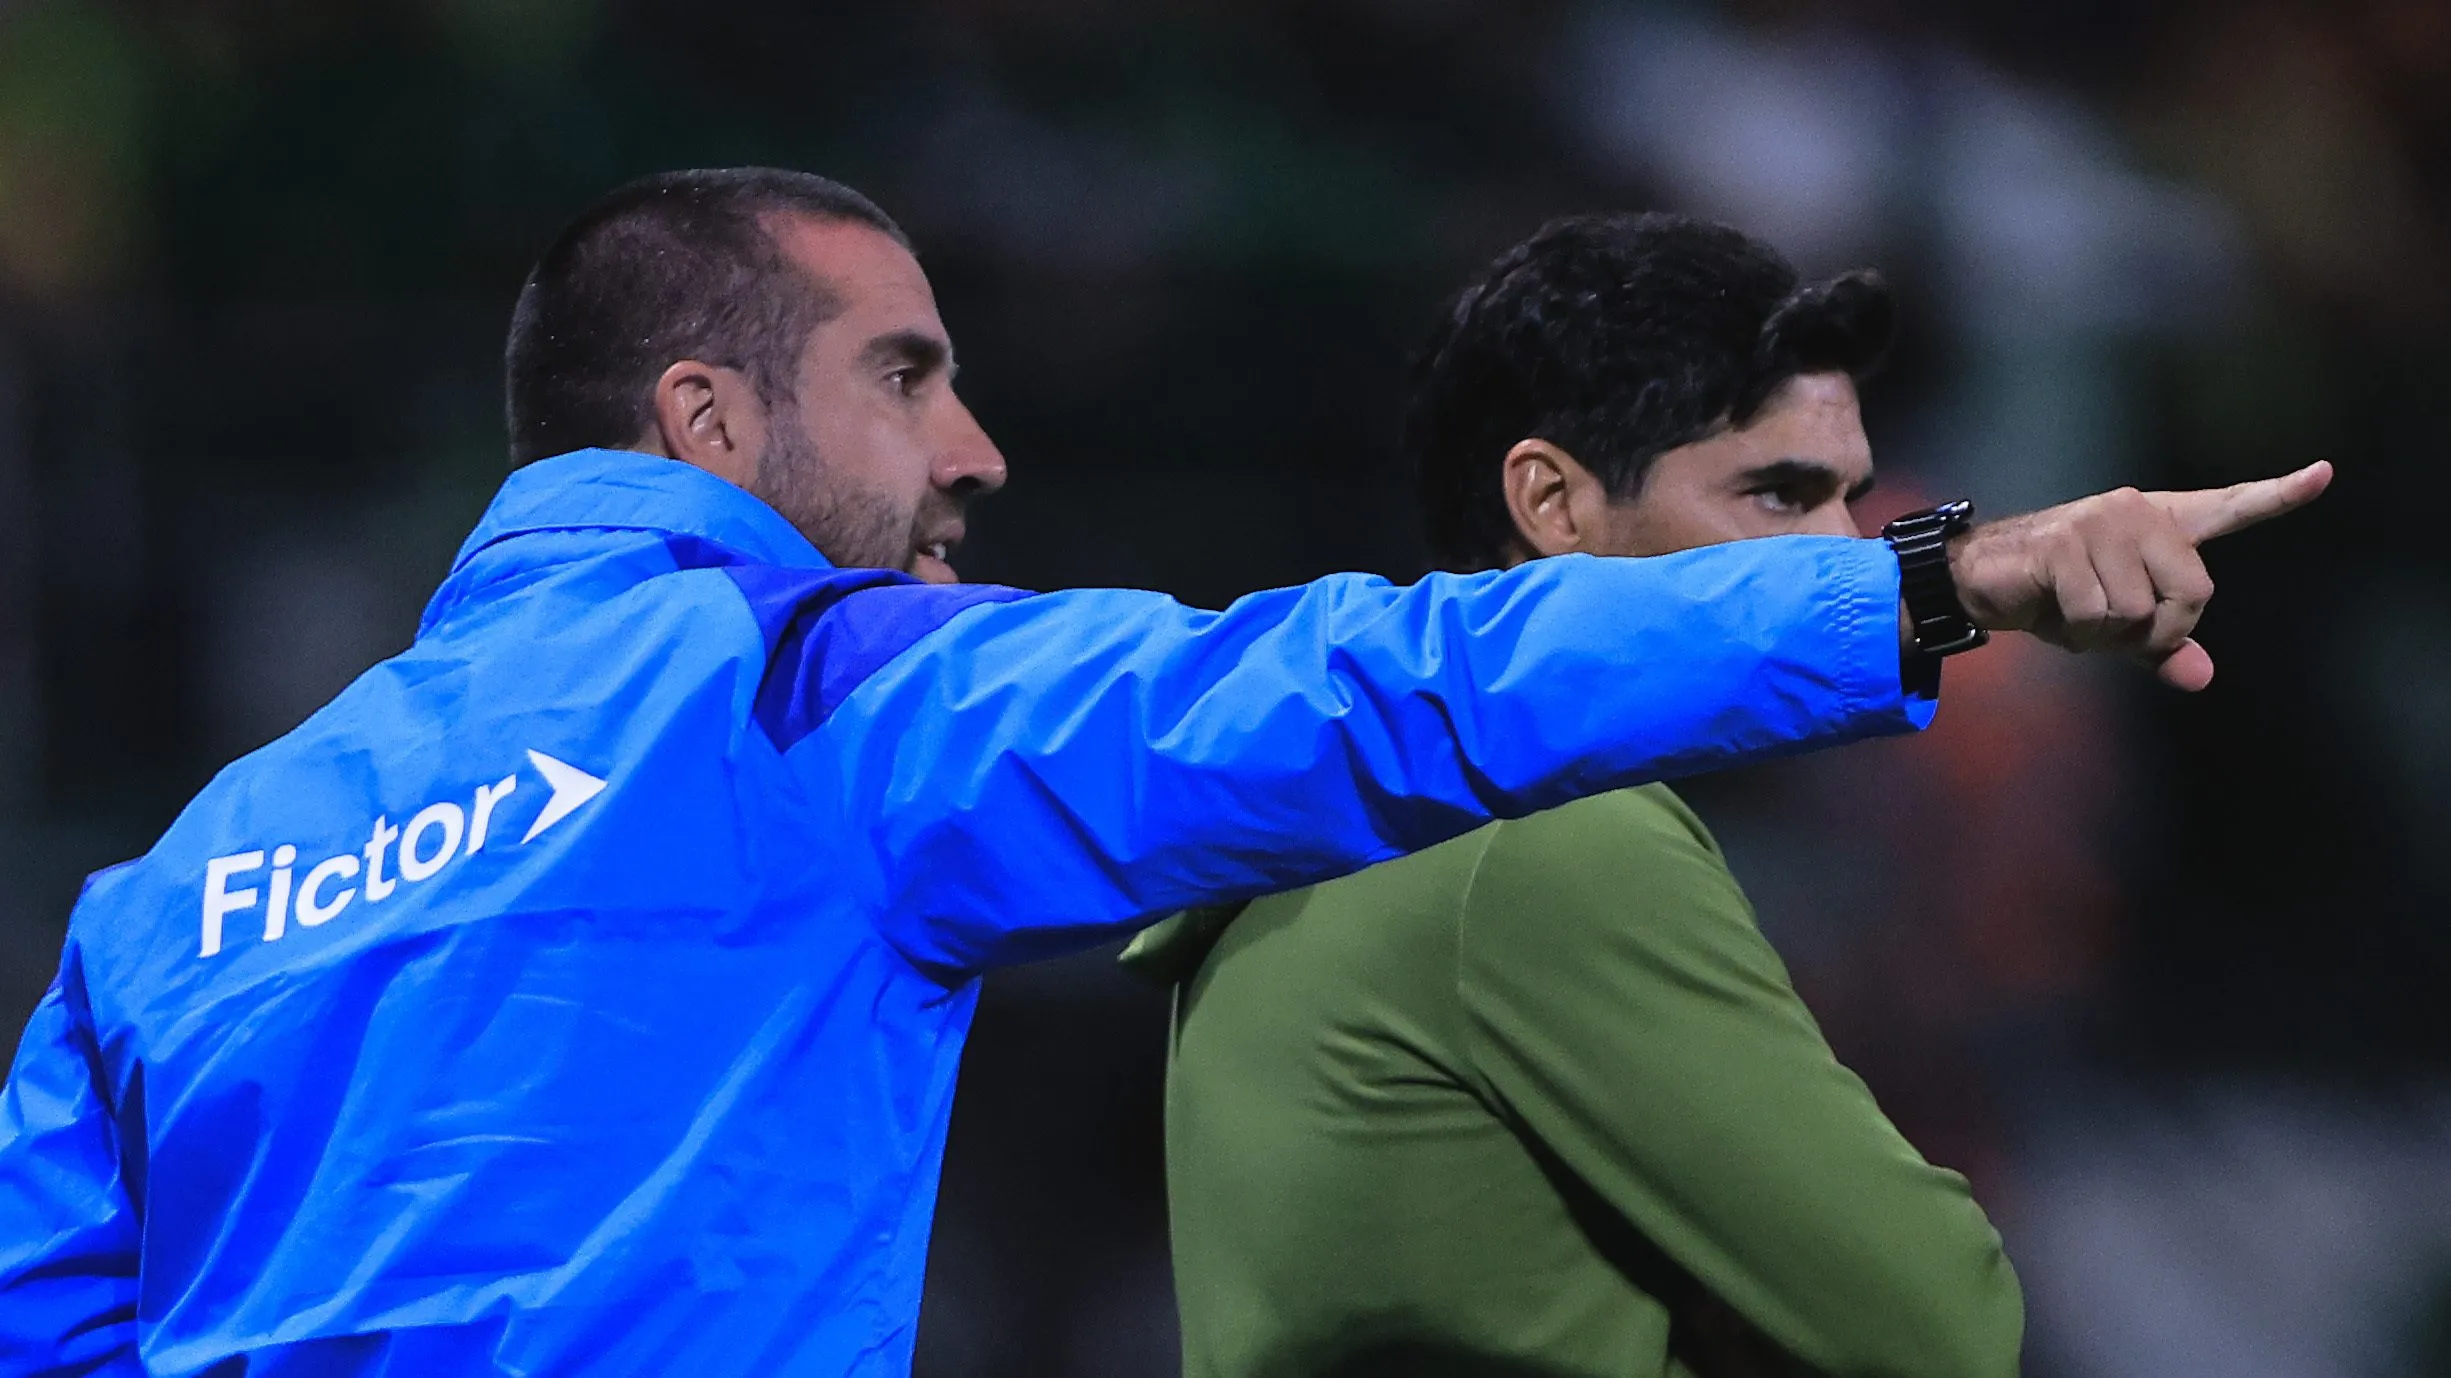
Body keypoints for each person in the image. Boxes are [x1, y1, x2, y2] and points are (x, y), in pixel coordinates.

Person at [0, 171, 2319, 1377]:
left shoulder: (180, 885)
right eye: (907, 376)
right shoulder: (817, 703)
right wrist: (1939, 583)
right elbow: (1371, 687)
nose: (976, 446)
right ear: (708, 421)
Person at [1124, 212, 2326, 1378]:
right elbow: (1942, 1322)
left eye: (1851, 499)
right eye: (1777, 494)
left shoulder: (1343, 809)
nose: (1845, 549)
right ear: (1552, 505)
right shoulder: (1548, 835)